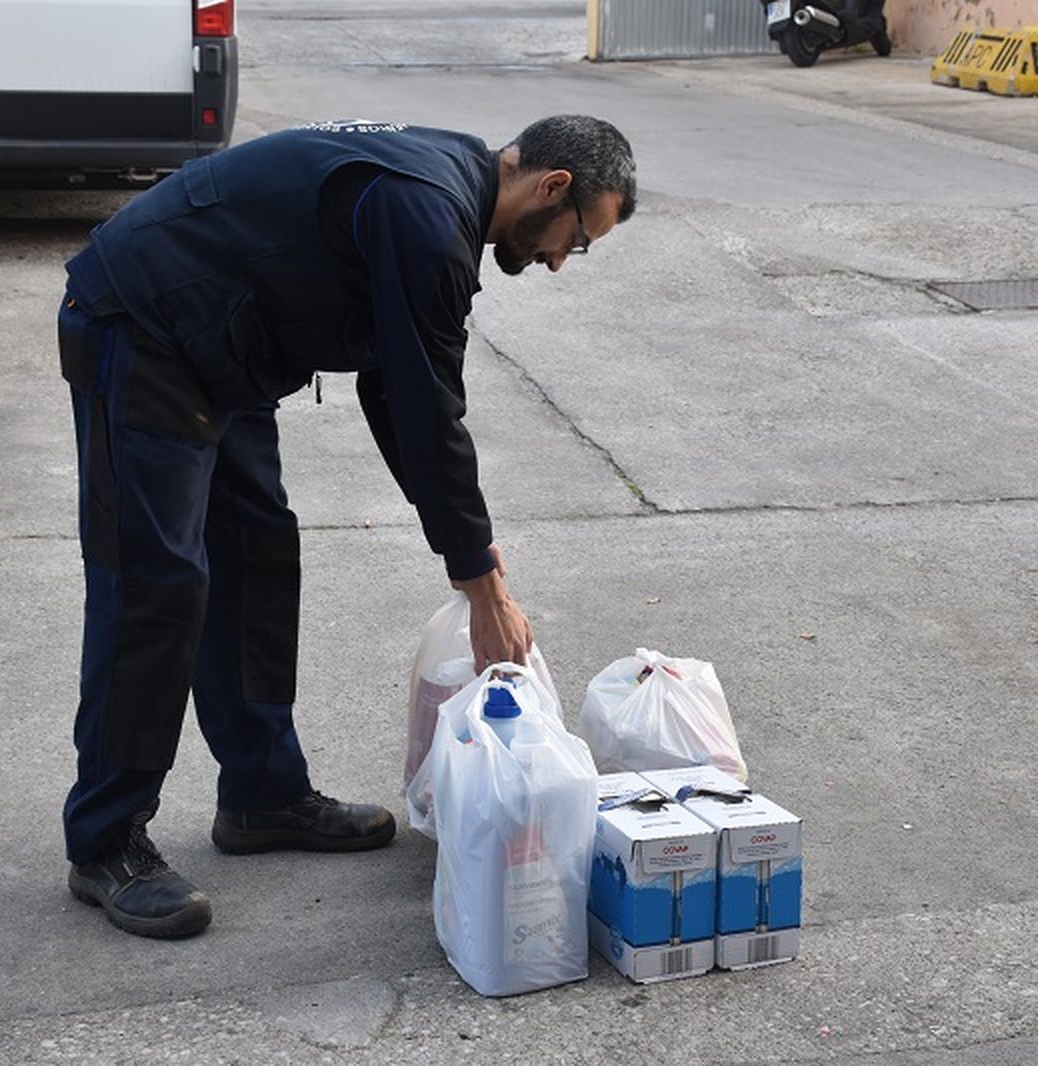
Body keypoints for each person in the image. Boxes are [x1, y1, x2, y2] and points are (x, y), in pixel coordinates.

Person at [55, 114, 637, 939]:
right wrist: (482, 585)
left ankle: (262, 795)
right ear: (552, 187)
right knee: (157, 583)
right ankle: (105, 840)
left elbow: (392, 392)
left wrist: (473, 562)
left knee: (258, 553)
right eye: (575, 241)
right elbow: (424, 410)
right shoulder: (428, 213)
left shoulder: (445, 194)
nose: (555, 262)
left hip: (227, 340)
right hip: (141, 322)